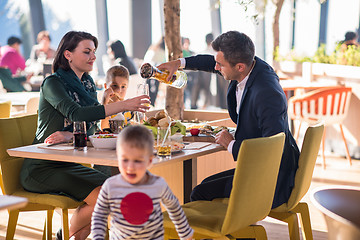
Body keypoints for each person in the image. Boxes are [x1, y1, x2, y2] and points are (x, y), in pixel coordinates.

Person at [19, 31, 150, 240]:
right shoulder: (52, 83)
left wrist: (70, 135)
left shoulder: (87, 84)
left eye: (94, 52)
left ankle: (65, 235)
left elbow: (90, 126)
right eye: (87, 51)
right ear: (68, 55)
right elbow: (78, 114)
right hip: (41, 167)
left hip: (69, 163)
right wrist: (124, 104)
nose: (93, 57)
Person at [157, 31, 300, 209]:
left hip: (273, 179)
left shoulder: (266, 93)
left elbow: (273, 149)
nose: (216, 68)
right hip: (262, 169)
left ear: (239, 66)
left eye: (220, 64)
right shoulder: (251, 67)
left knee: (200, 193)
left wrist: (231, 144)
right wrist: (178, 63)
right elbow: (211, 62)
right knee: (204, 185)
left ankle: (225, 231)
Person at [91, 125, 193, 240]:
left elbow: (174, 209)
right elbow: (99, 216)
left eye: (137, 161)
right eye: (125, 160)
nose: (130, 167)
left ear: (149, 161)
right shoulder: (110, 186)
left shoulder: (158, 184)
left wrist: (186, 235)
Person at [143, 37, 166, 106]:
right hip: (155, 70)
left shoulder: (154, 47)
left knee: (149, 90)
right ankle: (152, 104)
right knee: (154, 88)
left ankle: (150, 103)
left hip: (147, 70)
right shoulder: (163, 51)